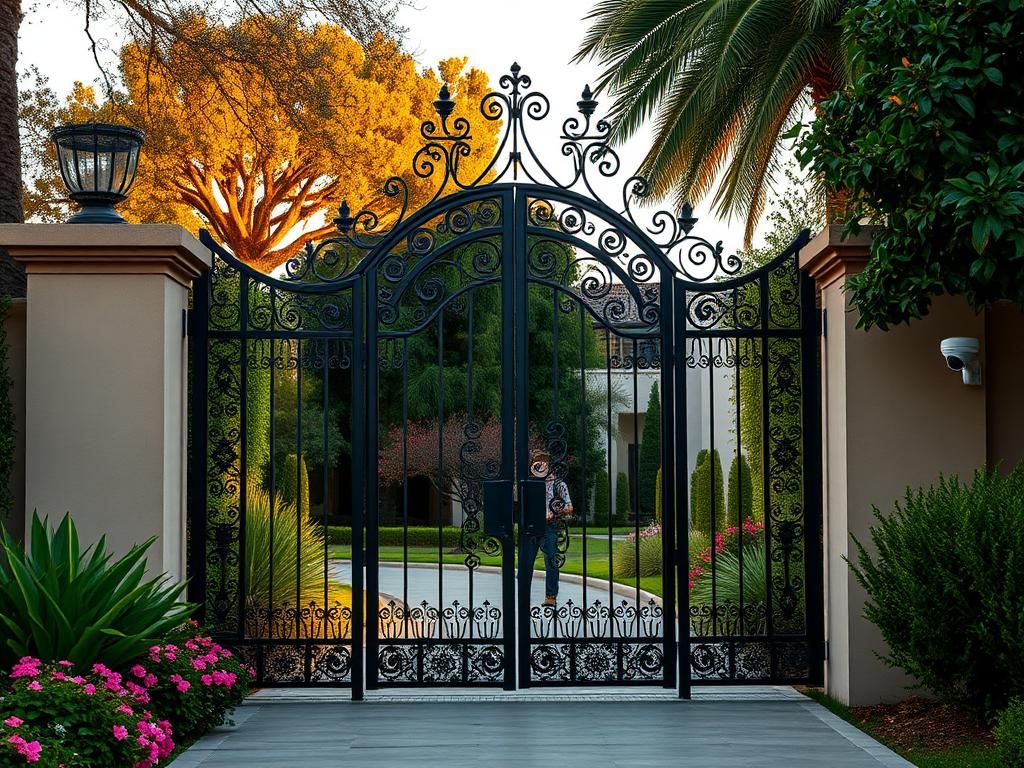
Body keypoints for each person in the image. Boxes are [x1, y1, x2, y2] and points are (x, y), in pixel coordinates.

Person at [527, 450, 573, 607]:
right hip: (532, 526)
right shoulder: (530, 484)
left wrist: (554, 512)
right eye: (537, 463)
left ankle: (551, 596)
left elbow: (569, 507)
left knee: (551, 560)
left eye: (543, 463)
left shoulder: (559, 485)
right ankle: (523, 594)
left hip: (550, 525)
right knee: (526, 562)